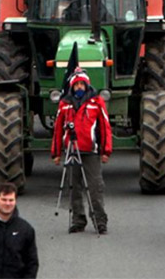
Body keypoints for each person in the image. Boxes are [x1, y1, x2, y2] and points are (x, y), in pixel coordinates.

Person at [50, 69, 112, 234]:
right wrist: (56, 153)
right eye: (76, 84)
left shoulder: (96, 102)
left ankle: (100, 221)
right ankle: (78, 220)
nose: (79, 87)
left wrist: (106, 150)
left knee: (95, 187)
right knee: (74, 188)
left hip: (91, 151)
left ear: (86, 84)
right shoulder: (65, 104)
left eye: (81, 84)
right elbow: (58, 129)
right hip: (72, 151)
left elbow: (105, 127)